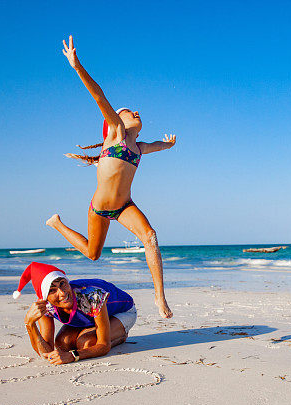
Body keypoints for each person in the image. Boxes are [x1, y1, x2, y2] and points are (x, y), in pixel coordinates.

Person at [46, 35, 175, 318]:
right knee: (93, 254)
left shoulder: (139, 148)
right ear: (116, 120)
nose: (135, 111)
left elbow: (158, 146)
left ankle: (159, 297)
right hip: (100, 208)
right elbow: (99, 96)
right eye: (129, 110)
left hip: (124, 206)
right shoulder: (116, 133)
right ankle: (57, 224)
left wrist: (170, 144)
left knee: (150, 236)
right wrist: (77, 66)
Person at [13, 262, 137, 365]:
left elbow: (103, 346)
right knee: (63, 344)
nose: (62, 293)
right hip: (90, 316)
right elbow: (46, 352)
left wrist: (73, 356)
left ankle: (119, 338)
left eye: (62, 283)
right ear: (45, 297)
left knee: (87, 343)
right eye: (52, 290)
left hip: (122, 312)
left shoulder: (91, 295)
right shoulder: (45, 307)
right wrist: (30, 323)